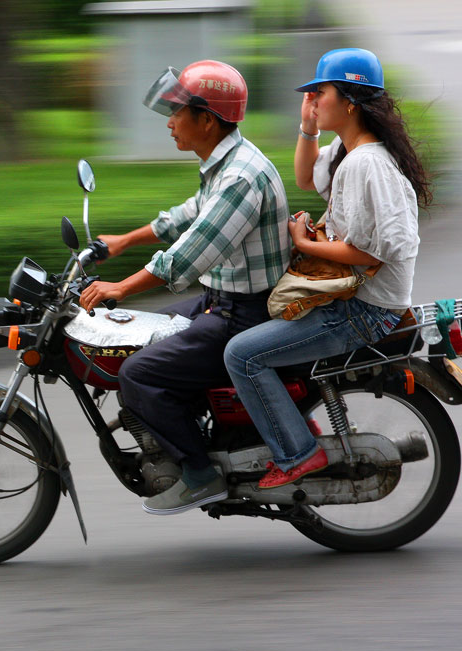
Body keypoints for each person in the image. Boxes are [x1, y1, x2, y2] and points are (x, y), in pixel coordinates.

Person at [78, 60, 291, 515]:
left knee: (136, 373)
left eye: (177, 114)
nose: (170, 124)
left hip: (243, 314)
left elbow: (188, 257)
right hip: (224, 301)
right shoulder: (228, 162)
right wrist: (124, 241)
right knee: (150, 331)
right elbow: (188, 214)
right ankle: (201, 429)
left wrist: (119, 288)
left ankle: (199, 474)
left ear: (207, 120)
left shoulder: (240, 177)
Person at [223, 48, 431, 488]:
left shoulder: (365, 163)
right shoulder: (349, 148)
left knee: (241, 355)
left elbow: (370, 255)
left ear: (350, 99)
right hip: (357, 297)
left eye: (321, 91)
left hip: (363, 310)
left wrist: (301, 241)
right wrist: (307, 126)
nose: (314, 98)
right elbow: (304, 177)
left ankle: (297, 453)